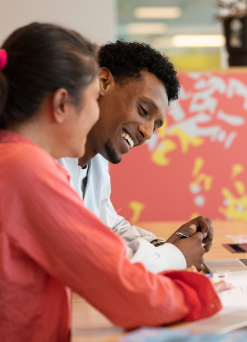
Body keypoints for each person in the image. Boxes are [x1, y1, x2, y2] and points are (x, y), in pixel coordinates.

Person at [0, 23, 228, 342]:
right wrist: (202, 292)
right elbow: (121, 287)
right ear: (62, 103)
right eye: (92, 100)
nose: (93, 114)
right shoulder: (23, 168)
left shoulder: (9, 158)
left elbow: (101, 248)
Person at [59, 41, 212, 273]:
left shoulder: (96, 159)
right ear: (103, 83)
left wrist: (163, 246)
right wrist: (173, 256)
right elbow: (83, 261)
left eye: (155, 126)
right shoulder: (44, 161)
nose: (147, 132)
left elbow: (109, 227)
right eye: (143, 110)